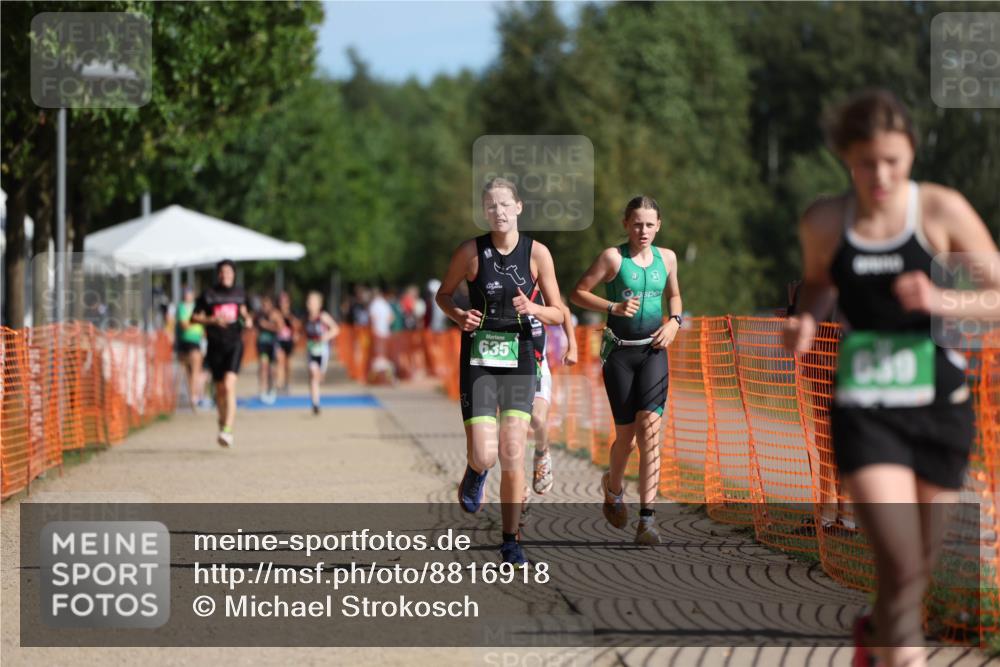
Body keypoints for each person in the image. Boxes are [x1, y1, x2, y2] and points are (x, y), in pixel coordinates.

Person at [782, 89, 1000, 667]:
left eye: (893, 161)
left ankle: (875, 633)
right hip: (865, 407)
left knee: (917, 574)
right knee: (900, 564)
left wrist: (942, 298)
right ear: (845, 158)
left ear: (911, 154)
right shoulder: (826, 220)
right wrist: (806, 318)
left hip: (939, 406)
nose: (879, 175)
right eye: (865, 162)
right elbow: (820, 280)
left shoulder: (940, 211)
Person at [436, 177, 565, 567]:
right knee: (485, 453)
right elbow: (443, 294)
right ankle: (475, 471)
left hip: (521, 357)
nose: (499, 212)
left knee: (512, 450)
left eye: (505, 205)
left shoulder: (537, 253)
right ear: (484, 211)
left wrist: (535, 309)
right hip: (479, 359)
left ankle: (511, 540)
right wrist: (459, 314)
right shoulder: (471, 252)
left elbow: (558, 312)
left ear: (519, 207)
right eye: (491, 206)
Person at [571, 195, 683, 546]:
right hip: (620, 355)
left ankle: (647, 520)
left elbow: (675, 296)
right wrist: (613, 306)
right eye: (637, 224)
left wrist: (675, 322)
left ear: (659, 226)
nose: (643, 230)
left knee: (651, 431)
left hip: (654, 352)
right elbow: (578, 293)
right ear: (626, 224)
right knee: (627, 438)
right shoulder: (612, 258)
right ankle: (613, 488)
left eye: (650, 224)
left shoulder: (668, 258)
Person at [192, 260, 253, 448]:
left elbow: (246, 314)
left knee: (229, 385)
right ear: (218, 274)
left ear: (233, 274)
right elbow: (194, 317)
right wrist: (212, 320)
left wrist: (247, 319)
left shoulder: (240, 293)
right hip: (215, 346)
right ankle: (222, 420)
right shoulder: (209, 295)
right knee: (219, 390)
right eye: (222, 272)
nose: (226, 275)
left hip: (234, 344)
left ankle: (227, 430)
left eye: (229, 272)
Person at [528, 293, 577, 495]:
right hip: (504, 365)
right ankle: (519, 495)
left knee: (537, 418)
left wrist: (573, 346)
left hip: (537, 363)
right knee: (511, 431)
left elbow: (563, 310)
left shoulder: (536, 283)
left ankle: (542, 452)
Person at [303, 290, 340, 415]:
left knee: (318, 378)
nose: (311, 304)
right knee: (313, 374)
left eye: (314, 302)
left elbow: (336, 329)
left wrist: (325, 337)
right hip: (310, 351)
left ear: (319, 304)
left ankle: (316, 400)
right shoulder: (306, 318)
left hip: (322, 351)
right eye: (310, 302)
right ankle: (315, 404)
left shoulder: (323, 316)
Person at [175, 285, 206, 411]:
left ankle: (193, 397)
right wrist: (196, 321)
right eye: (186, 293)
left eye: (189, 293)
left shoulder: (198, 308)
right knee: (192, 371)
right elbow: (184, 325)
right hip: (188, 342)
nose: (187, 295)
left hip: (196, 341)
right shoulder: (182, 307)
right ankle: (194, 398)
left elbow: (202, 324)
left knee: (192, 371)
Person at [255, 294, 284, 404]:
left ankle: (272, 389)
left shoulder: (275, 315)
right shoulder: (258, 315)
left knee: (272, 370)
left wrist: (267, 325)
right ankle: (262, 390)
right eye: (263, 305)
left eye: (267, 305)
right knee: (263, 367)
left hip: (272, 345)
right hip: (262, 345)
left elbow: (280, 328)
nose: (265, 307)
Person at [275, 291, 298, 394]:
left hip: (289, 341)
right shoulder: (276, 313)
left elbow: (297, 325)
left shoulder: (292, 313)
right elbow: (276, 325)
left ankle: (287, 384)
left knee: (288, 364)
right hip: (279, 340)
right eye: (281, 302)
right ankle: (279, 384)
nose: (283, 304)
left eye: (285, 302)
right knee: (280, 361)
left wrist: (290, 318)